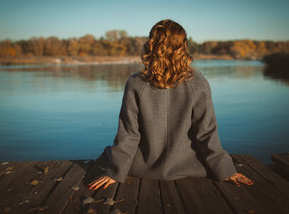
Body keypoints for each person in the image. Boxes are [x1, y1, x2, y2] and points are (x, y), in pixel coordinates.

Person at [87, 19, 254, 190]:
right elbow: (206, 133)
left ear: (151, 44)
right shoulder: (198, 82)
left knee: (107, 151)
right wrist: (225, 170)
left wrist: (114, 172)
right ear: (182, 47)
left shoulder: (135, 83)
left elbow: (129, 133)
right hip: (188, 166)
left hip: (141, 167)